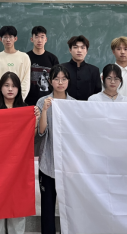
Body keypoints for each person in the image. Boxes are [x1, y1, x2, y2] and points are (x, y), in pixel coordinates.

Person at [0, 71, 35, 234]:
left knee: (17, 205)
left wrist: (35, 118)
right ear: (0, 87)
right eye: (6, 85)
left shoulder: (26, 109)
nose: (10, 89)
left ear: (19, 88)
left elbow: (32, 137)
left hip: (19, 167)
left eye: (14, 86)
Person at [36, 65, 75, 234]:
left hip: (68, 165)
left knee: (70, 207)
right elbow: (41, 131)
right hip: (47, 162)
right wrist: (45, 110)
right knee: (47, 208)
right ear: (50, 81)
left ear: (68, 81)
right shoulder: (42, 102)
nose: (60, 82)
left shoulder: (73, 104)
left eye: (64, 79)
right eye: (56, 79)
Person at [0, 26, 31, 102]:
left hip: (19, 101)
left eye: (10, 37)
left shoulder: (24, 57)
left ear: (15, 38)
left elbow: (26, 81)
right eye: (5, 37)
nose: (8, 40)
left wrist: (19, 100)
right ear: (1, 39)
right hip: (0, 102)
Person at [25, 26, 59, 107]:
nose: (39, 40)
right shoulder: (25, 57)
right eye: (36, 37)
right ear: (31, 39)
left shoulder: (52, 58)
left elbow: (57, 80)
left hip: (48, 101)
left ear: (46, 39)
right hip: (28, 101)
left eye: (42, 37)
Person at [61, 35, 101, 101]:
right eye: (75, 47)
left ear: (87, 51)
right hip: (65, 105)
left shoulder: (94, 70)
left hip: (88, 106)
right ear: (70, 50)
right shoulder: (61, 68)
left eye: (83, 48)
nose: (79, 50)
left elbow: (97, 93)